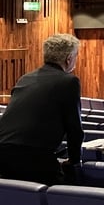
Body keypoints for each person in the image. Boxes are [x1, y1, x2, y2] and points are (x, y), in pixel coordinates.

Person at [0, 34, 83, 185]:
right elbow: (74, 128)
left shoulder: (25, 78)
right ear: (69, 58)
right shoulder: (69, 81)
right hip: (33, 157)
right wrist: (74, 161)